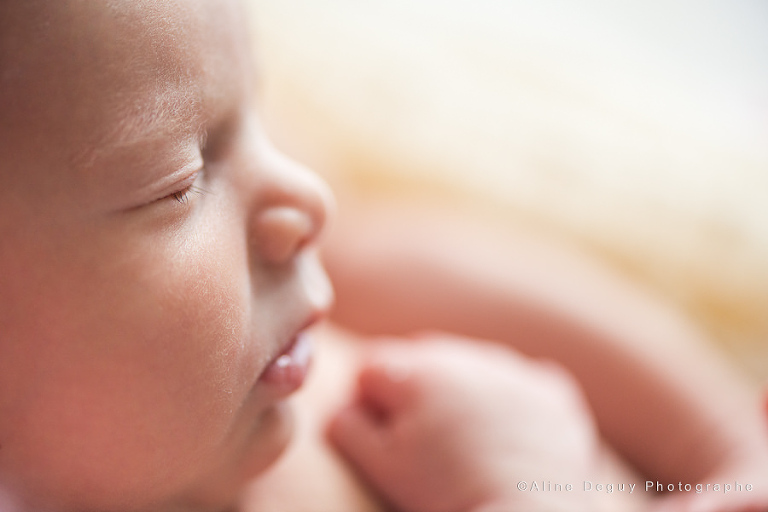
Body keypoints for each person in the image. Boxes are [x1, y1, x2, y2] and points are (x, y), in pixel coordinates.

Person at [0, 1, 765, 511]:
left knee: (382, 258)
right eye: (182, 181)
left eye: (254, 114)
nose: (306, 194)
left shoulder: (288, 341)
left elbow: (418, 261)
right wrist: (529, 490)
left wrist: (716, 443)